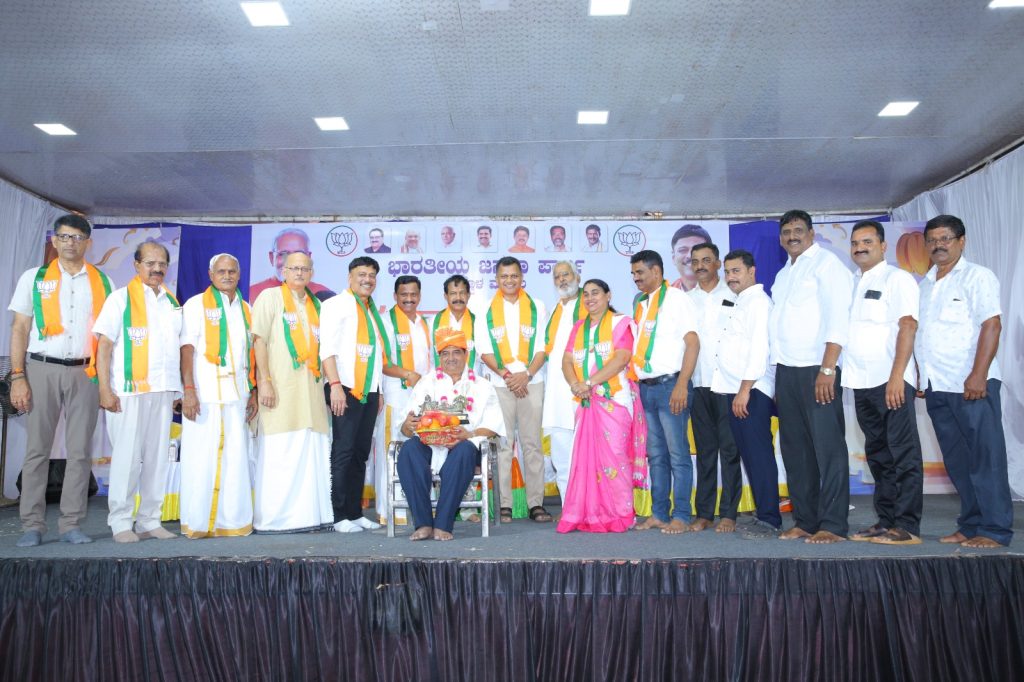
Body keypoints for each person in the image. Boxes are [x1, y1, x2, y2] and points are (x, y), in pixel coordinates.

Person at [7, 214, 113, 547]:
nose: (70, 243)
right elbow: (20, 328)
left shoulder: (103, 281)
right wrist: (18, 376)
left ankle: (71, 524)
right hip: (41, 368)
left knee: (80, 452)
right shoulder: (34, 278)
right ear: (54, 240)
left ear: (88, 243)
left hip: (86, 372)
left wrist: (106, 382)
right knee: (37, 450)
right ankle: (32, 524)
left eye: (78, 237)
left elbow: (107, 337)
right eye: (64, 236)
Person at [917, 215, 1013, 548]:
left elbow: (992, 325)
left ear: (962, 241)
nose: (938, 245)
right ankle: (971, 524)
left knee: (986, 458)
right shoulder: (925, 285)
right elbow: (923, 335)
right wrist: (922, 375)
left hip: (972, 384)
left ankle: (995, 529)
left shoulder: (977, 276)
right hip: (937, 386)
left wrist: (978, 374)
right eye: (932, 240)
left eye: (945, 238)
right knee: (958, 462)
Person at [768, 209, 854, 544]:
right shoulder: (784, 274)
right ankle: (805, 520)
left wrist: (828, 368)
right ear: (780, 238)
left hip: (818, 370)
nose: (792, 236)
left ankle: (833, 524)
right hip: (787, 371)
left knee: (828, 449)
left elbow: (838, 318)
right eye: (786, 232)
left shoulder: (827, 265)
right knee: (795, 450)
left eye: (798, 230)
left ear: (812, 233)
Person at [93, 240, 182, 543]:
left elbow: (174, 349)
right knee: (127, 459)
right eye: (150, 263)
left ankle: (149, 520)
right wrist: (104, 389)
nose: (157, 269)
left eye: (162, 264)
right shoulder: (119, 299)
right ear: (136, 265)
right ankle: (121, 522)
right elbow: (104, 347)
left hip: (162, 391)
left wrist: (178, 391)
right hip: (128, 392)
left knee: (157, 459)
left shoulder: (172, 303)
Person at [842, 221, 924, 546]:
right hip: (860, 382)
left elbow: (908, 326)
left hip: (891, 380)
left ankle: (907, 526)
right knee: (878, 454)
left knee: (903, 452)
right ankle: (886, 520)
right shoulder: (851, 283)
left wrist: (897, 376)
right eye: (855, 243)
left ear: (883, 246)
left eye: (867, 241)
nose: (860, 247)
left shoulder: (897, 279)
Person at [250, 251, 333, 532]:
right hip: (280, 390)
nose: (299, 273)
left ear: (312, 273)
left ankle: (309, 517)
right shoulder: (270, 297)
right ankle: (275, 520)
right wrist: (265, 381)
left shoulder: (316, 305)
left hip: (311, 394)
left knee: (310, 449)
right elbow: (259, 341)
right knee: (281, 451)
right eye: (294, 268)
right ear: (283, 271)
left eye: (304, 269)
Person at [396, 328, 505, 540]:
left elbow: (494, 426)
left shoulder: (482, 386)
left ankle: (443, 524)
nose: (451, 358)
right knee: (408, 450)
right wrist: (408, 425)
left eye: (456, 352)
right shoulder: (426, 383)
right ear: (439, 357)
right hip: (429, 443)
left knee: (464, 451)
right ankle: (423, 523)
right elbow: (406, 427)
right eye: (445, 353)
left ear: (466, 354)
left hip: (465, 445)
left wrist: (469, 434)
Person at [178, 253, 258, 538]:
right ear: (211, 275)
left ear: (239, 275)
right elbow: (186, 349)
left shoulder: (247, 308)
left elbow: (250, 355)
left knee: (236, 459)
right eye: (221, 271)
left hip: (238, 395)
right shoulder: (196, 304)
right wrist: (188, 390)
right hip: (204, 395)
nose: (227, 276)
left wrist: (253, 392)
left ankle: (231, 522)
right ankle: (198, 522)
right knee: (200, 458)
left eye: (232, 271)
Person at [557, 279, 645, 533]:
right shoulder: (579, 328)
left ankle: (621, 514)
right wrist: (575, 384)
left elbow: (621, 358)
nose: (590, 298)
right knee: (589, 461)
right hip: (586, 401)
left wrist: (589, 382)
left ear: (608, 295)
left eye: (595, 293)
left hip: (615, 399)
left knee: (615, 456)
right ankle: (592, 513)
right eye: (585, 295)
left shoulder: (621, 323)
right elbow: (566, 360)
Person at [711, 250, 782, 538]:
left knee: (759, 455)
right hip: (736, 390)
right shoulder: (741, 301)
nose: (730, 277)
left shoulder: (758, 303)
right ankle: (765, 515)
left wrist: (744, 391)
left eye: (736, 271)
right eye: (727, 272)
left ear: (752, 271)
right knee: (749, 456)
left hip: (751, 390)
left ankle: (770, 519)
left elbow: (759, 349)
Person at [629, 249, 700, 534]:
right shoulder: (642, 303)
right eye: (633, 274)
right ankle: (659, 513)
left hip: (671, 386)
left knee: (678, 454)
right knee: (656, 455)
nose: (635, 278)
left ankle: (681, 515)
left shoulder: (677, 299)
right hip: (646, 389)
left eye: (640, 272)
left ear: (656, 272)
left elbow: (693, 343)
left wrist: (682, 384)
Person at [475, 256, 550, 522]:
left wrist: (526, 375)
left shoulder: (537, 306)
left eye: (514, 276)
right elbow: (484, 351)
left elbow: (542, 347)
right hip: (500, 383)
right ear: (496, 279)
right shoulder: (485, 309)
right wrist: (509, 376)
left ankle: (536, 503)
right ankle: (504, 504)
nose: (509, 280)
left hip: (532, 382)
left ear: (521, 277)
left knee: (532, 444)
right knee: (503, 445)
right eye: (504, 276)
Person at [319, 257, 390, 533]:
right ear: (350, 277)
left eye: (372, 275)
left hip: (369, 390)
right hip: (345, 387)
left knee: (361, 453)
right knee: (344, 451)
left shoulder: (371, 311)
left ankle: (354, 512)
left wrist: (379, 390)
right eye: (362, 274)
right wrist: (335, 385)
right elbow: (327, 349)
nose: (367, 279)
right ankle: (338, 516)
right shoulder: (335, 305)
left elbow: (375, 356)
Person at [685, 242, 741, 533]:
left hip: (728, 385)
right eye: (695, 261)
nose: (700, 266)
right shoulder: (685, 300)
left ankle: (729, 513)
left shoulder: (735, 293)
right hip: (698, 383)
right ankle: (704, 513)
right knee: (705, 451)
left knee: (730, 450)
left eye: (706, 260)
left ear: (718, 264)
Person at [373, 275, 432, 522]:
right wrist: (407, 374)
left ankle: (419, 508)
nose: (409, 299)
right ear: (395, 296)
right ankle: (391, 511)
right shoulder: (385, 322)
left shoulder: (424, 324)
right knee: (392, 450)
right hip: (396, 396)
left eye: (413, 294)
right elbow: (381, 362)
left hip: (422, 398)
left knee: (420, 451)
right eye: (404, 294)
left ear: (419, 296)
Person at [541, 261, 584, 503]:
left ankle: (589, 506)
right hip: (557, 396)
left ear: (577, 277)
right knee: (561, 455)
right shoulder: (555, 310)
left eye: (566, 274)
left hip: (582, 391)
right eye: (557, 277)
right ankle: (570, 506)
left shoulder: (589, 305)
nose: (562, 280)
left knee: (587, 454)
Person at [249, 228, 334, 301]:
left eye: (299, 253)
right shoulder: (253, 293)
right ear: (272, 258)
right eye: (284, 254)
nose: (292, 262)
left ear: (309, 258)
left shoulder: (323, 295)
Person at [433, 275, 478, 373]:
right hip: (441, 379)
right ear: (446, 296)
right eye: (453, 293)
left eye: (462, 293)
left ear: (468, 295)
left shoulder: (478, 322)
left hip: (472, 379)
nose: (458, 297)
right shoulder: (433, 322)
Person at [669, 224, 712, 291]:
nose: (690, 256)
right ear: (673, 258)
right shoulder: (665, 295)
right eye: (683, 250)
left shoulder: (726, 294)